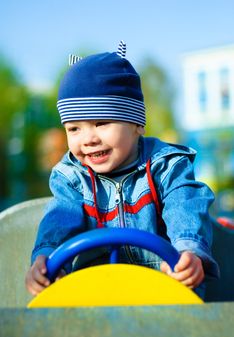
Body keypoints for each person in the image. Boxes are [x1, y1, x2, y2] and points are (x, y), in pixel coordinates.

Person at [25, 41, 219, 298]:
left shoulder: (166, 165)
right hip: (94, 294)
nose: (88, 139)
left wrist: (188, 253)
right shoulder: (71, 177)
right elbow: (60, 219)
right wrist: (45, 258)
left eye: (101, 122)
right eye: (74, 128)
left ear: (137, 123)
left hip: (161, 288)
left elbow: (184, 205)